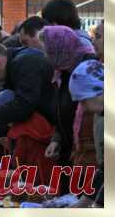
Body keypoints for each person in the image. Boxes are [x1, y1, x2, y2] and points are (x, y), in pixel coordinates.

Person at [40, 26, 98, 194]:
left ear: (59, 49)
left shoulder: (87, 70)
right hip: (70, 153)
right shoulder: (61, 72)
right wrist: (56, 139)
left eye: (47, 51)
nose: (45, 56)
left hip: (89, 157)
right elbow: (62, 111)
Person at [0, 41, 56, 147]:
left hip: (51, 131)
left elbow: (24, 106)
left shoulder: (25, 63)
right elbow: (16, 115)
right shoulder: (14, 65)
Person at [69, 59, 104, 207]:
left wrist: (98, 204)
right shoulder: (99, 115)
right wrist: (86, 199)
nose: (82, 107)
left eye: (83, 100)